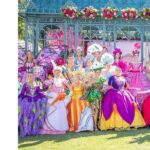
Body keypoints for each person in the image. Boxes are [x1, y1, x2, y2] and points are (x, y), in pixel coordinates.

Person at [18, 72, 47, 137]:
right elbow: (22, 93)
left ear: (34, 77)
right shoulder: (25, 84)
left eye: (32, 76)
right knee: (27, 116)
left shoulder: (37, 84)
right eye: (29, 76)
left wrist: (45, 96)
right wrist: (20, 98)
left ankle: (33, 131)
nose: (31, 77)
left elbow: (39, 93)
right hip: (27, 102)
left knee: (35, 116)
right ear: (28, 77)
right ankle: (26, 131)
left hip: (36, 101)